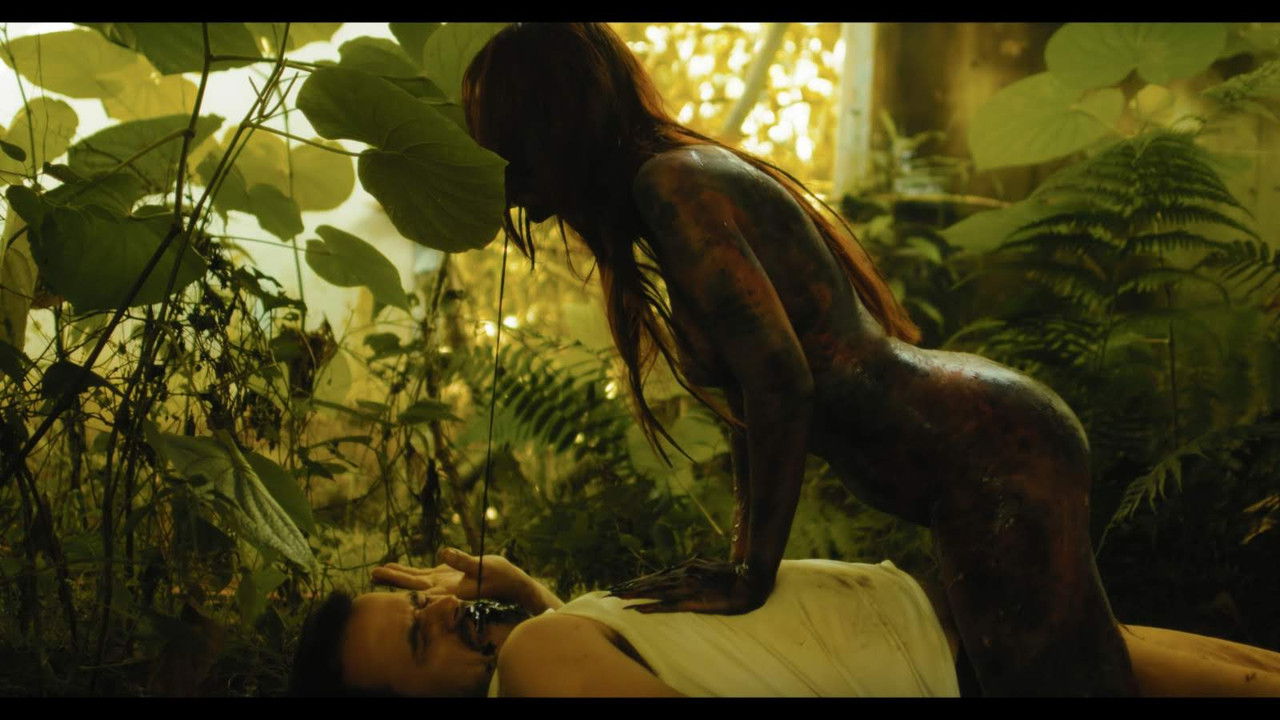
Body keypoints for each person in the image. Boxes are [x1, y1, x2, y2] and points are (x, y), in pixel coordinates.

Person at [461, 23, 1132, 695]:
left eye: (512, 157)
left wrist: (751, 575)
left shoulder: (674, 186)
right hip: (982, 444)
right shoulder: (667, 185)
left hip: (991, 449)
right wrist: (740, 561)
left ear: (556, 127)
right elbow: (753, 396)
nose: (509, 190)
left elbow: (779, 382)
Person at [288, 548, 1280, 697]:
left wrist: (536, 599)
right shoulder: (538, 666)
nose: (442, 606)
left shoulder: (544, 648)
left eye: (416, 603)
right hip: (963, 668)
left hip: (949, 637)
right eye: (418, 639)